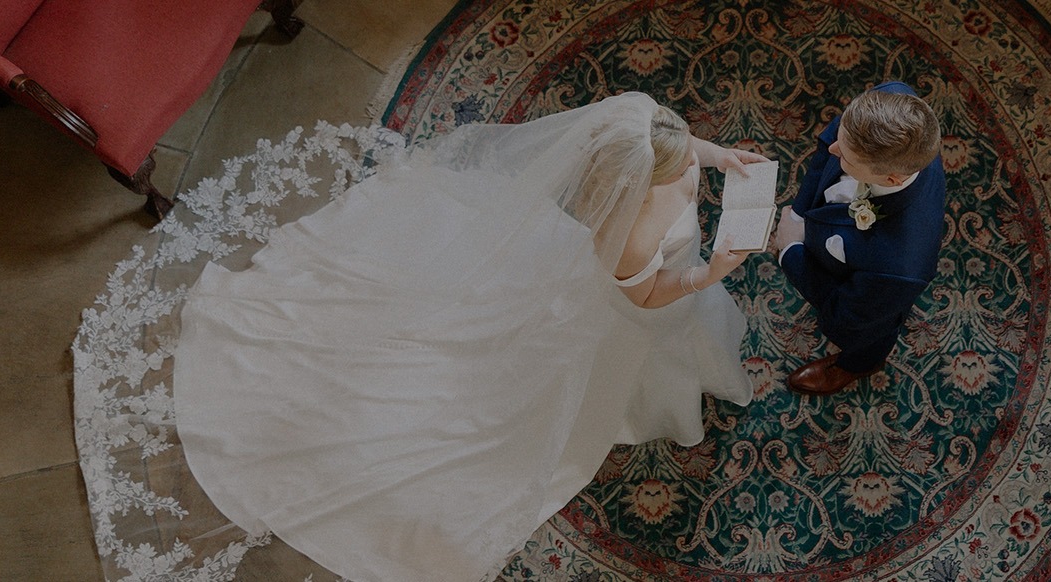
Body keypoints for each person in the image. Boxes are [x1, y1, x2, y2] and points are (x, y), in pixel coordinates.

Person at [172, 93, 766, 581]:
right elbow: (643, 294)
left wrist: (722, 159)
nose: (691, 164)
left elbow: (685, 149)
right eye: (682, 162)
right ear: (637, 178)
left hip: (643, 276)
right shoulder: (631, 228)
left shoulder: (649, 136)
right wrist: (705, 275)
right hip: (632, 316)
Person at [771, 81, 947, 396]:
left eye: (848, 158)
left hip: (871, 290)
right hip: (835, 235)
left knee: (869, 332)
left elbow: (845, 313)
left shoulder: (899, 267)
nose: (832, 148)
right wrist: (798, 216)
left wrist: (791, 250)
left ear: (892, 179)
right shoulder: (892, 100)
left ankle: (859, 364)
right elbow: (828, 148)